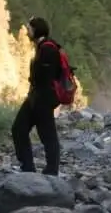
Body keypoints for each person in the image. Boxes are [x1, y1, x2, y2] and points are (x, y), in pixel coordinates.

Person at [13, 16, 71, 173]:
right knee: (20, 129)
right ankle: (29, 168)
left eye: (29, 29)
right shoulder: (44, 47)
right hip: (36, 97)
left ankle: (50, 170)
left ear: (36, 30)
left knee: (47, 135)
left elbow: (44, 77)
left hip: (42, 99)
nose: (27, 33)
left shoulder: (47, 49)